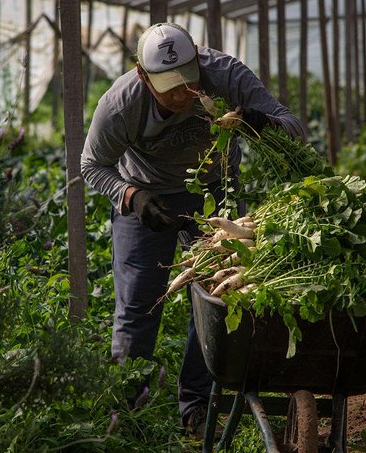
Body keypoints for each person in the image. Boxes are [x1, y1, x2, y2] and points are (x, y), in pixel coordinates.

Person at [80, 22, 306, 439]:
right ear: (143, 76)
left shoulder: (226, 75)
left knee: (215, 299)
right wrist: (132, 197)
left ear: (198, 60)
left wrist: (255, 121)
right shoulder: (121, 103)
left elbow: (292, 127)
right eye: (170, 87)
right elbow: (90, 165)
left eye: (188, 81)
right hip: (147, 197)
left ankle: (197, 407)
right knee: (138, 305)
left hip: (213, 193)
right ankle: (128, 411)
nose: (183, 94)